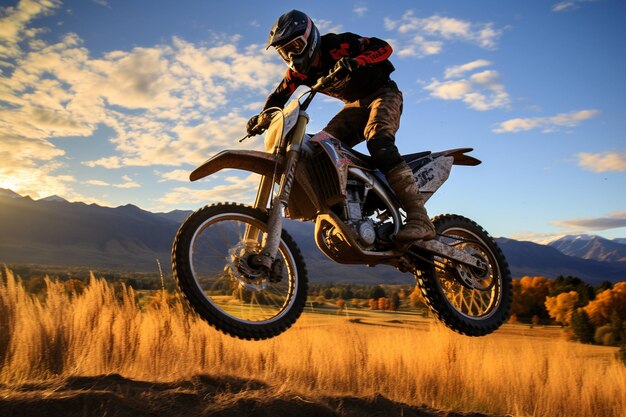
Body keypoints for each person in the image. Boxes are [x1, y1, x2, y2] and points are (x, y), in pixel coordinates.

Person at [247, 10, 435, 242]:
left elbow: (383, 47)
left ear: (310, 38)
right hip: (353, 107)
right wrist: (261, 118)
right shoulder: (296, 73)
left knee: (378, 140)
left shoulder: (338, 45)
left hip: (383, 93)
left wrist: (358, 60)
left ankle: (419, 217)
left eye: (295, 46)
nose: (291, 54)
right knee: (318, 149)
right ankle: (349, 209)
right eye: (284, 51)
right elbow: (278, 97)